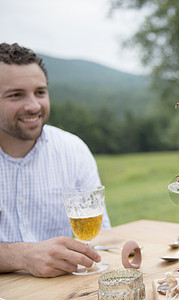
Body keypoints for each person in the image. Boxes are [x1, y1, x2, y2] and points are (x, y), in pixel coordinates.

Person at [0, 43, 111, 277]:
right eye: (16, 95)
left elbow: (102, 239)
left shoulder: (74, 149)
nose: (33, 106)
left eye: (40, 92)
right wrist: (20, 256)